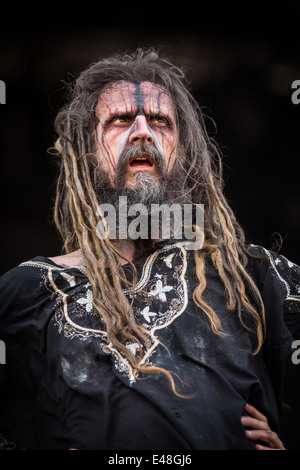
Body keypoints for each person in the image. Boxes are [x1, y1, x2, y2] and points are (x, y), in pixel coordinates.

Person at [0, 49, 298, 451]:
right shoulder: (28, 291)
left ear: (183, 153)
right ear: (87, 153)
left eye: (161, 121)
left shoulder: (251, 276)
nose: (143, 131)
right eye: (121, 120)